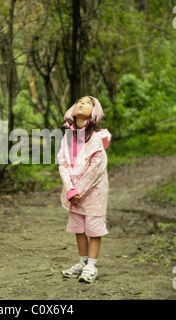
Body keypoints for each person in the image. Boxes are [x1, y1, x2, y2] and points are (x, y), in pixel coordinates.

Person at [57, 96, 111, 283]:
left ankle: (92, 265)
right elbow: (62, 162)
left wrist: (79, 190)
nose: (81, 103)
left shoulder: (97, 137)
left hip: (93, 191)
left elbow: (97, 167)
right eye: (79, 101)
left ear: (94, 112)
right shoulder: (68, 135)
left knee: (94, 228)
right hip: (74, 193)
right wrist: (71, 190)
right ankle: (82, 262)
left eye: (87, 103)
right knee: (78, 228)